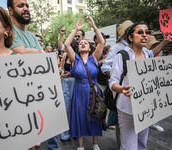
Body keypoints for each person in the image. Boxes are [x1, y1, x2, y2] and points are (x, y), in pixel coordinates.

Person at [109, 22, 154, 150]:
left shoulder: (149, 55)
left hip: (146, 108)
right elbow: (112, 82)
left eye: (147, 32)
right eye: (140, 32)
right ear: (130, 37)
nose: (144, 35)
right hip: (127, 109)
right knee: (129, 146)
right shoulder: (123, 55)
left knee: (142, 144)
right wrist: (122, 89)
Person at [64, 15, 105, 150]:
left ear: (89, 48)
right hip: (79, 91)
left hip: (93, 90)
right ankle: (81, 146)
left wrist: (94, 27)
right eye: (81, 42)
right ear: (79, 47)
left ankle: (95, 144)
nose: (83, 43)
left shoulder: (94, 58)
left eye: (86, 43)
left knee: (95, 114)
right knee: (80, 116)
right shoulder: (75, 58)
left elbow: (102, 42)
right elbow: (66, 44)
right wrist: (76, 30)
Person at [147, 36, 165, 132]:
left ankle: (154, 122)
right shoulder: (144, 54)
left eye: (156, 44)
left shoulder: (160, 53)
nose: (155, 46)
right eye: (153, 45)